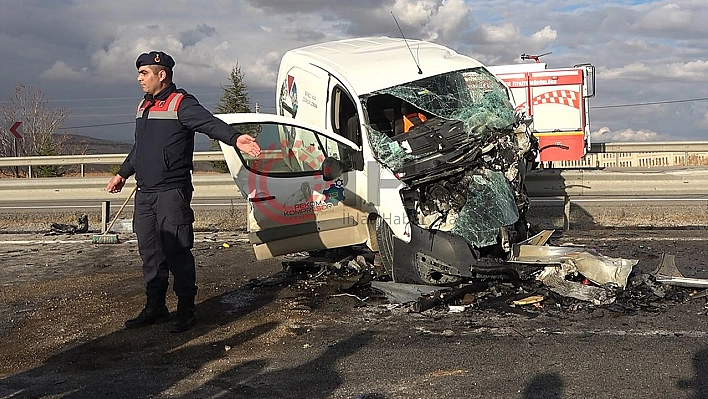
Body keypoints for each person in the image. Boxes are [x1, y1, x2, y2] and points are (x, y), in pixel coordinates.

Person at [106, 51, 261, 333]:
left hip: (171, 194)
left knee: (177, 250)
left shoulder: (181, 104)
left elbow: (209, 124)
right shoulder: (144, 106)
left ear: (161, 75)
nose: (139, 78)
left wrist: (236, 138)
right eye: (139, 73)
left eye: (144, 73)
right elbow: (140, 147)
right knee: (150, 252)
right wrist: (122, 173)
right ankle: (156, 306)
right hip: (145, 193)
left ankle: (186, 309)